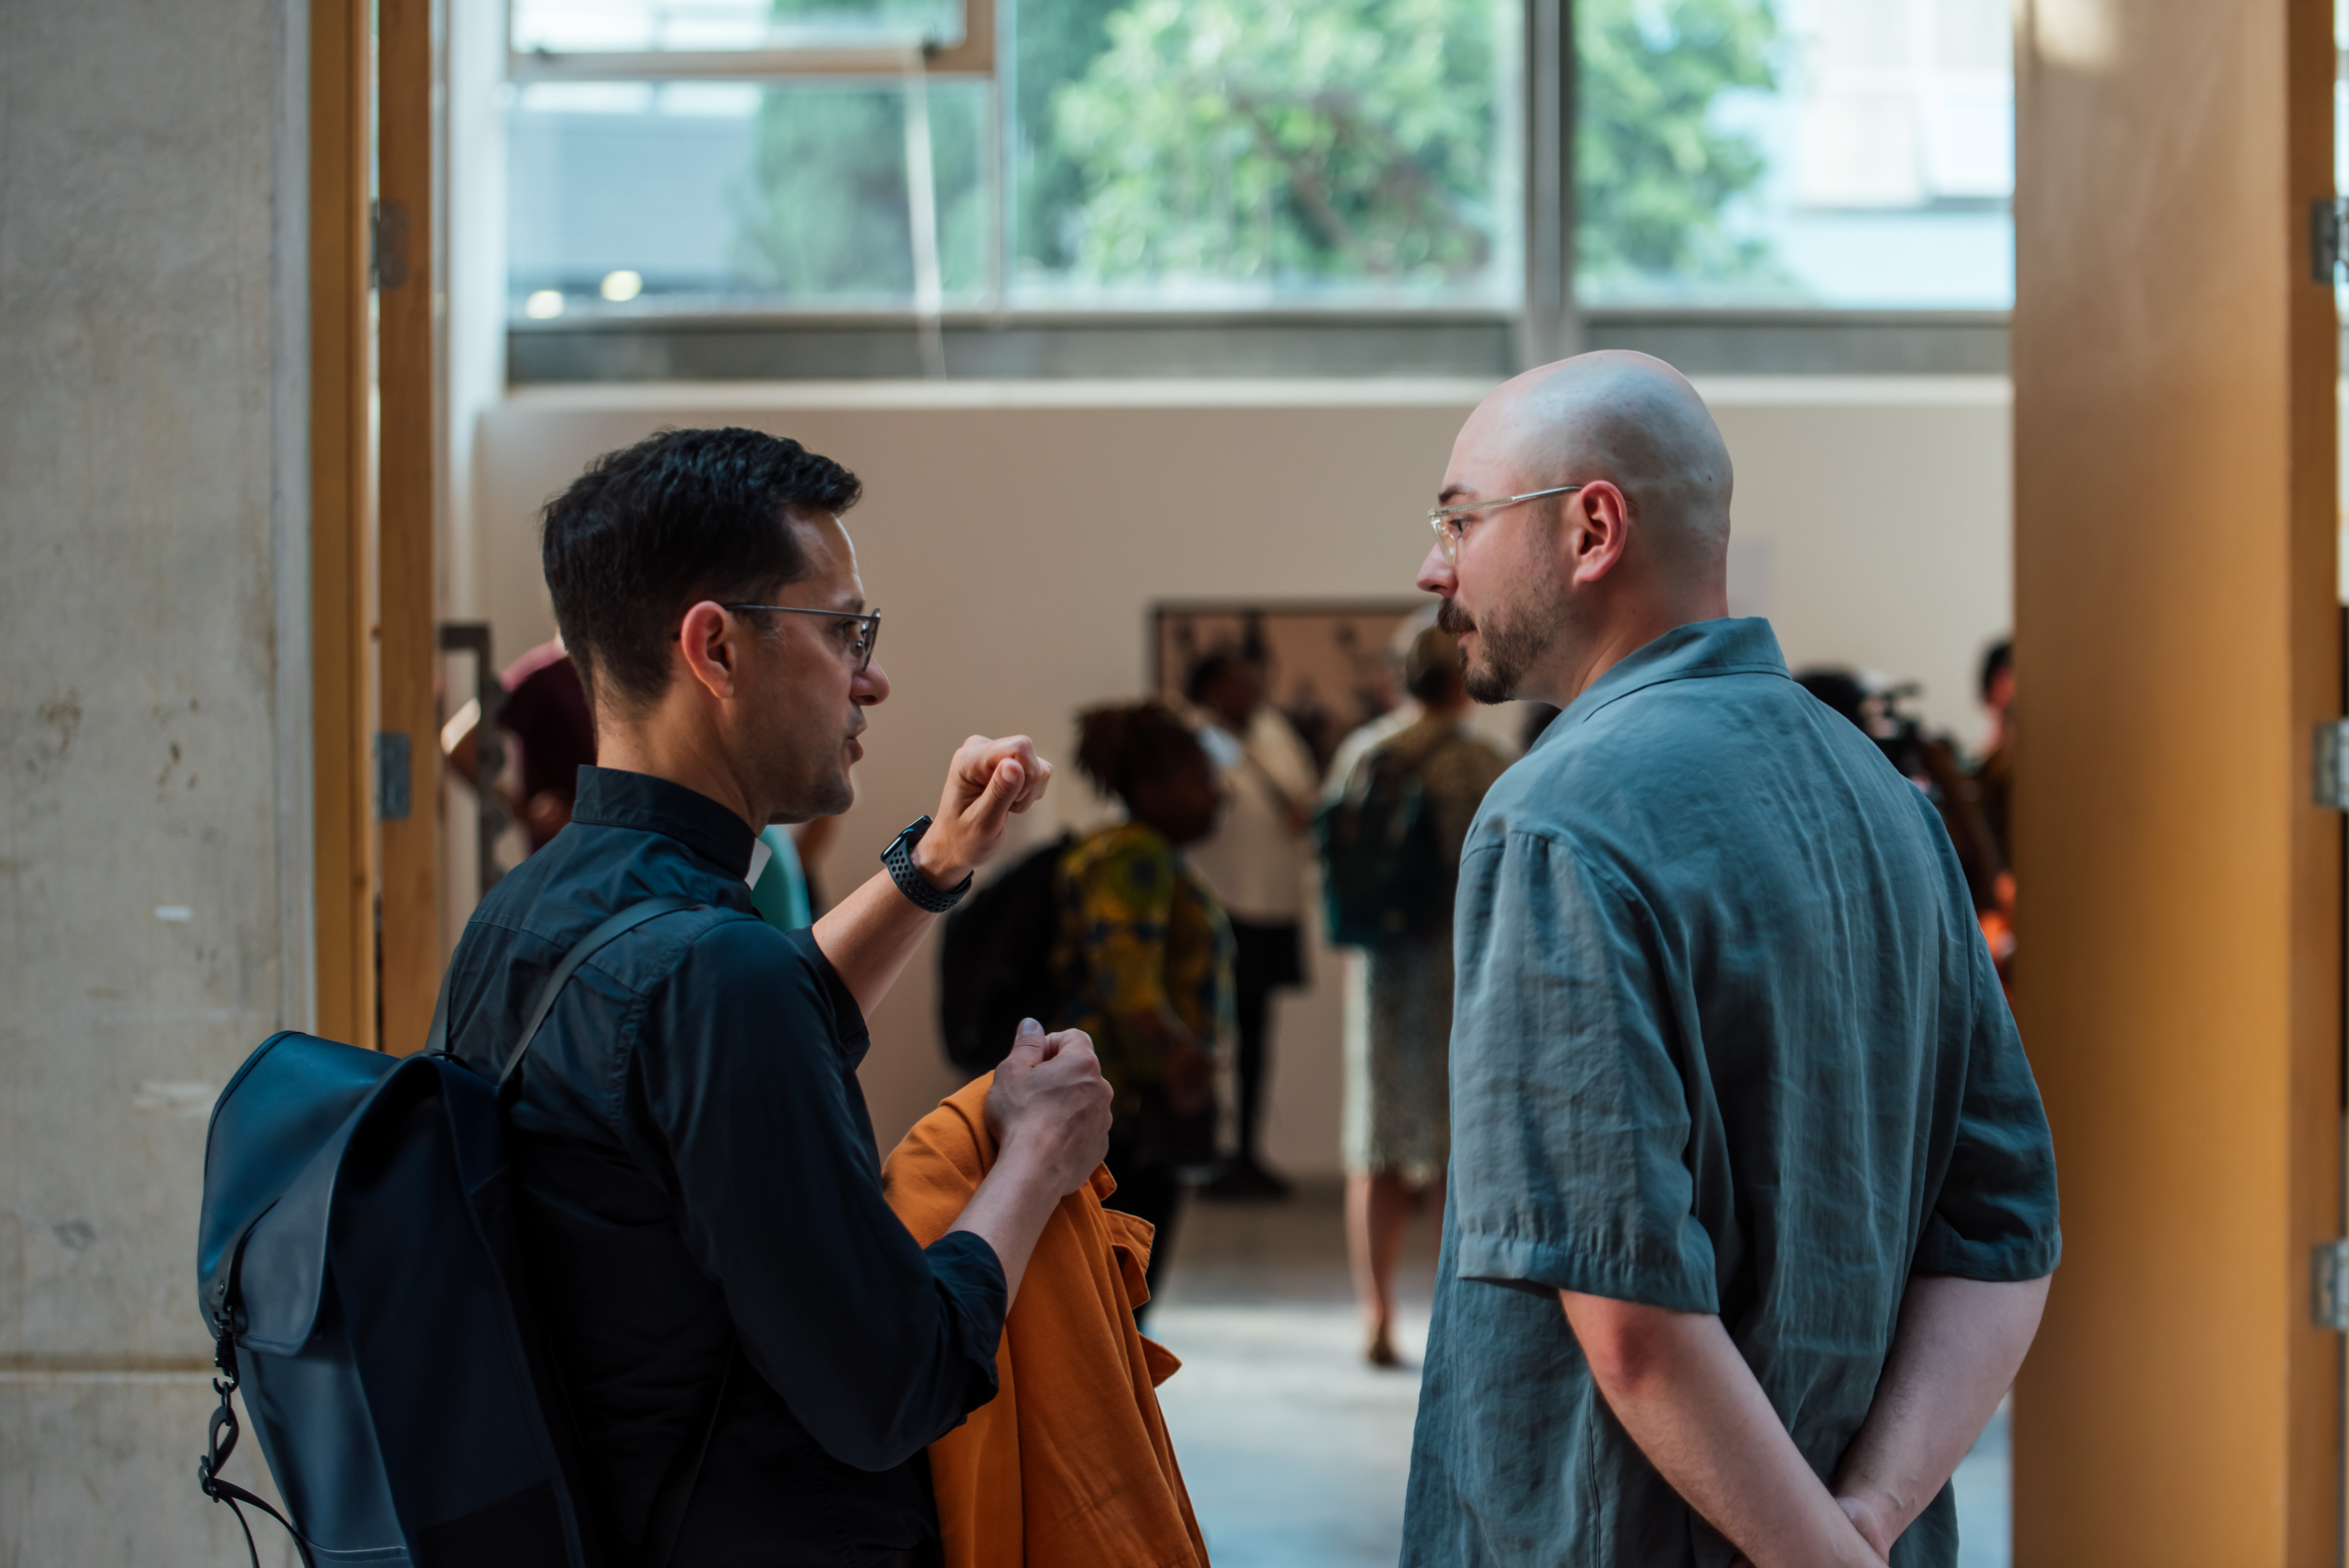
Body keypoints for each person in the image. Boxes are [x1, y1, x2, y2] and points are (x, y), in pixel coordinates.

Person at [1400, 352, 2059, 1568]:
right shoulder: (1884, 796)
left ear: (1592, 528)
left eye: (1459, 519)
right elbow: (2005, 1231)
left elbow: (1632, 1316)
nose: (1434, 566)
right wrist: (1862, 1526)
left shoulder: (1556, 820)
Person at [435, 426, 1114, 1568]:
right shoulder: (713, 975)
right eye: (847, 631)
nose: (874, 677)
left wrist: (931, 866)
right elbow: (893, 1385)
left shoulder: (527, 916)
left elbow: (738, 1028)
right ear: (716, 649)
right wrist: (1034, 1164)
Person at [1331, 625, 1506, 1368]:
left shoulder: (1365, 755)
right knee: (1453, 1149)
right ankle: (1446, 1319)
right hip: (1463, 969)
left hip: (1382, 973)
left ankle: (1375, 1315)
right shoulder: (1484, 763)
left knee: (1376, 1147)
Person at [1051, 700, 1234, 1312]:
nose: (1217, 795)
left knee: (1118, 1293)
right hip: (1130, 1113)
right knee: (1123, 1299)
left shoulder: (1128, 851)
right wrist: (1182, 1062)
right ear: (1151, 788)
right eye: (1199, 781)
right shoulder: (1137, 858)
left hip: (1120, 1107)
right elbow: (1130, 989)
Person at [1182, 651, 1319, 1200]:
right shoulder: (1198, 737)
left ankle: (1247, 1151)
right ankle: (1207, 1152)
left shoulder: (1272, 729)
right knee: (1210, 1035)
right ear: (1213, 689)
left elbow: (1303, 792)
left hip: (1273, 905)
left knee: (1258, 1038)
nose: (1250, 690)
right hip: (1219, 904)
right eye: (1237, 683)